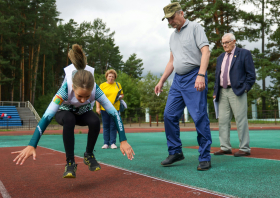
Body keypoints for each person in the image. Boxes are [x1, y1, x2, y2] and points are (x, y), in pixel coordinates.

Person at [11, 44, 135, 178]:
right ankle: (70, 162)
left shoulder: (96, 90)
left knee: (94, 120)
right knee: (69, 119)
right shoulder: (64, 91)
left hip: (82, 113)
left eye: (87, 97)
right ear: (73, 89)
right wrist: (32, 144)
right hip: (64, 113)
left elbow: (114, 113)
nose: (83, 100)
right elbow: (46, 117)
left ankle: (89, 154)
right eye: (79, 96)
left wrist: (123, 139)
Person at [155, 2, 212, 171]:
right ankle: (175, 151)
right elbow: (172, 61)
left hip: (195, 75)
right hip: (178, 80)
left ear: (181, 13)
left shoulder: (195, 28)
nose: (170, 21)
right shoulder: (172, 37)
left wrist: (201, 74)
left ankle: (204, 157)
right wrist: (162, 80)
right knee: (169, 115)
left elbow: (205, 51)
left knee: (199, 116)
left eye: (172, 17)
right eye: (168, 19)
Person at [213, 33, 256, 157]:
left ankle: (244, 148)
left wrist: (245, 89)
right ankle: (225, 147)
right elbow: (217, 76)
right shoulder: (220, 57)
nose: (224, 45)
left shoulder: (244, 53)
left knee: (241, 120)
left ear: (234, 41)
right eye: (223, 43)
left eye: (227, 42)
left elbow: (251, 75)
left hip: (237, 91)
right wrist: (216, 92)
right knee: (223, 121)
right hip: (222, 92)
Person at [96, 69, 124, 149]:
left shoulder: (118, 85)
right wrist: (98, 107)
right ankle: (106, 143)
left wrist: (120, 97)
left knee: (113, 126)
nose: (111, 78)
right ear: (106, 77)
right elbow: (98, 97)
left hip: (115, 109)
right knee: (106, 126)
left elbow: (122, 95)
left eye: (112, 76)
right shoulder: (102, 85)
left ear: (115, 77)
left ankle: (113, 143)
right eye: (109, 76)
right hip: (104, 109)